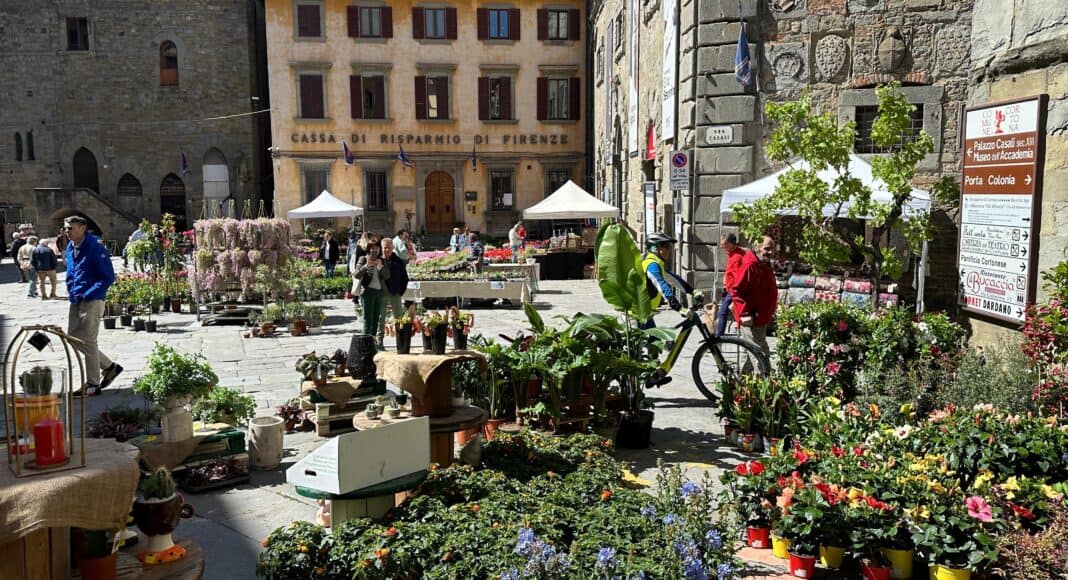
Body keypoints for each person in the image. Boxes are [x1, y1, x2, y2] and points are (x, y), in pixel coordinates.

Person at [64, 215, 122, 396]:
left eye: (70, 228)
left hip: (92, 299)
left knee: (88, 340)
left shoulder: (95, 248)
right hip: (76, 298)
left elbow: (108, 277)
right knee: (72, 336)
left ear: (82, 228)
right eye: (65, 228)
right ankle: (109, 367)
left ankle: (92, 383)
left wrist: (89, 294)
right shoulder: (70, 247)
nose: (67, 232)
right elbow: (71, 270)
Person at [730, 234, 779, 373]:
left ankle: (738, 385)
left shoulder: (762, 264)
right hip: (752, 318)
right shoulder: (749, 265)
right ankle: (767, 386)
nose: (771, 252)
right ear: (757, 247)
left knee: (749, 353)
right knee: (761, 353)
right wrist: (745, 313)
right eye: (767, 249)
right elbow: (736, 290)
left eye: (773, 249)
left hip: (761, 317)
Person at [640, 232, 683, 329]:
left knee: (655, 341)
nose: (668, 249)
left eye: (669, 246)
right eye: (665, 246)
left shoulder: (658, 264)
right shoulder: (651, 265)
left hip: (645, 312)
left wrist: (692, 291)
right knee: (653, 342)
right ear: (655, 248)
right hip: (637, 314)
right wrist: (676, 305)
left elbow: (674, 279)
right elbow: (661, 285)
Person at [353, 239, 387, 342]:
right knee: (368, 319)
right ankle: (366, 342)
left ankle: (373, 341)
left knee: (376, 319)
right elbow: (356, 274)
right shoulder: (363, 259)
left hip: (379, 292)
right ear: (368, 249)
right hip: (368, 292)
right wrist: (367, 266)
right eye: (372, 248)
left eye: (376, 248)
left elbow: (387, 275)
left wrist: (380, 266)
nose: (374, 250)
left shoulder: (381, 260)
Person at [378, 237, 410, 344]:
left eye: (388, 248)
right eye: (384, 248)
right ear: (381, 248)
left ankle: (400, 340)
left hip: (395, 292)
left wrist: (400, 291)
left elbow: (404, 278)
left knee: (398, 317)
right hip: (382, 293)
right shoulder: (378, 260)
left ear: (392, 248)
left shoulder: (398, 261)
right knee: (381, 317)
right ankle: (379, 340)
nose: (386, 250)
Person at [716, 233, 746, 337]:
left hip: (734, 290)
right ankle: (739, 329)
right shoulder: (734, 253)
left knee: (722, 312)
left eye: (724, 245)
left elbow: (739, 277)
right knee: (729, 311)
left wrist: (734, 294)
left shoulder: (737, 257)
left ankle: (718, 337)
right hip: (730, 289)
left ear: (731, 244)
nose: (722, 247)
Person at [32, 236, 59, 300]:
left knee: (41, 282)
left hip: (40, 269)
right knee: (53, 281)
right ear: (45, 244)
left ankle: (43, 295)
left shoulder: (35, 250)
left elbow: (33, 260)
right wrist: (54, 267)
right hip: (50, 269)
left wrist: (36, 267)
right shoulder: (49, 250)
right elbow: (54, 260)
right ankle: (52, 294)